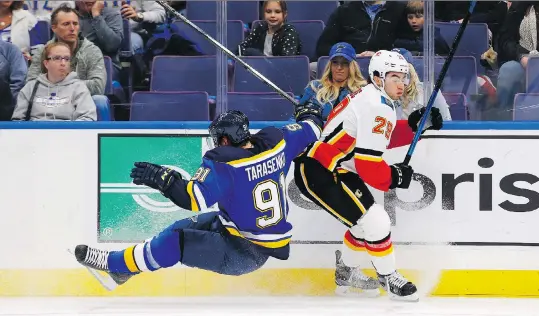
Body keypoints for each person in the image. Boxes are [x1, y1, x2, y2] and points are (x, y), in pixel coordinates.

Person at [73, 106, 324, 290]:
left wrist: (164, 179)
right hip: (241, 232)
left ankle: (114, 264)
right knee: (179, 228)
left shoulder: (226, 163)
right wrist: (309, 112)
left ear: (225, 139)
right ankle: (123, 272)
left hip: (242, 252)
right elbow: (312, 127)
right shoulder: (278, 140)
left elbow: (193, 198)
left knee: (175, 242)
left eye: (218, 138)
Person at [294, 50, 419, 301]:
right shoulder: (378, 106)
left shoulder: (372, 98)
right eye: (394, 77)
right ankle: (388, 276)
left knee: (364, 223)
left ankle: (347, 273)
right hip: (320, 170)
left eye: (403, 77)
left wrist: (415, 127)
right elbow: (370, 167)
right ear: (377, 77)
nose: (402, 84)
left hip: (330, 167)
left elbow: (374, 140)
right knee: (376, 221)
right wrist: (395, 178)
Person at [12, 41, 96, 121]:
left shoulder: (79, 87)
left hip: (68, 133)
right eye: (57, 58)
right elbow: (18, 120)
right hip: (35, 133)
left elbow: (88, 118)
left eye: (67, 59)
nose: (63, 63)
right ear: (46, 64)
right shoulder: (30, 87)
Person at [299, 42, 367, 119]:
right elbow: (295, 116)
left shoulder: (362, 90)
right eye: (335, 62)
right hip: (317, 128)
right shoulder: (315, 87)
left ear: (352, 67)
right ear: (330, 65)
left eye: (345, 63)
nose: (339, 67)